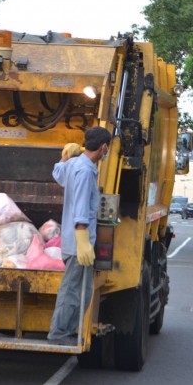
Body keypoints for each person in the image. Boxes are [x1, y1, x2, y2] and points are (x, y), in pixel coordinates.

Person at [47, 126, 112, 345]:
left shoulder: (73, 164)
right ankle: (59, 332)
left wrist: (65, 156)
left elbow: (57, 172)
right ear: (102, 147)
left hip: (70, 240)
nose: (107, 152)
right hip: (78, 241)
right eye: (107, 148)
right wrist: (83, 239)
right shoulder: (85, 171)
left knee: (82, 290)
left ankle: (64, 330)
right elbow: (83, 206)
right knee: (74, 290)